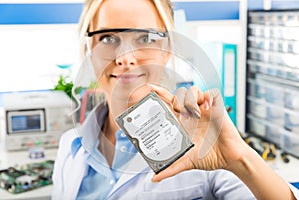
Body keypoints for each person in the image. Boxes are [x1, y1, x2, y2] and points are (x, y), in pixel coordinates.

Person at [52, 0, 298, 199]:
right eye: (107, 38)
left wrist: (239, 159)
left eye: (145, 38)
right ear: (89, 50)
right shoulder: (70, 145)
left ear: (168, 50)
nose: (125, 58)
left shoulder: (202, 144)